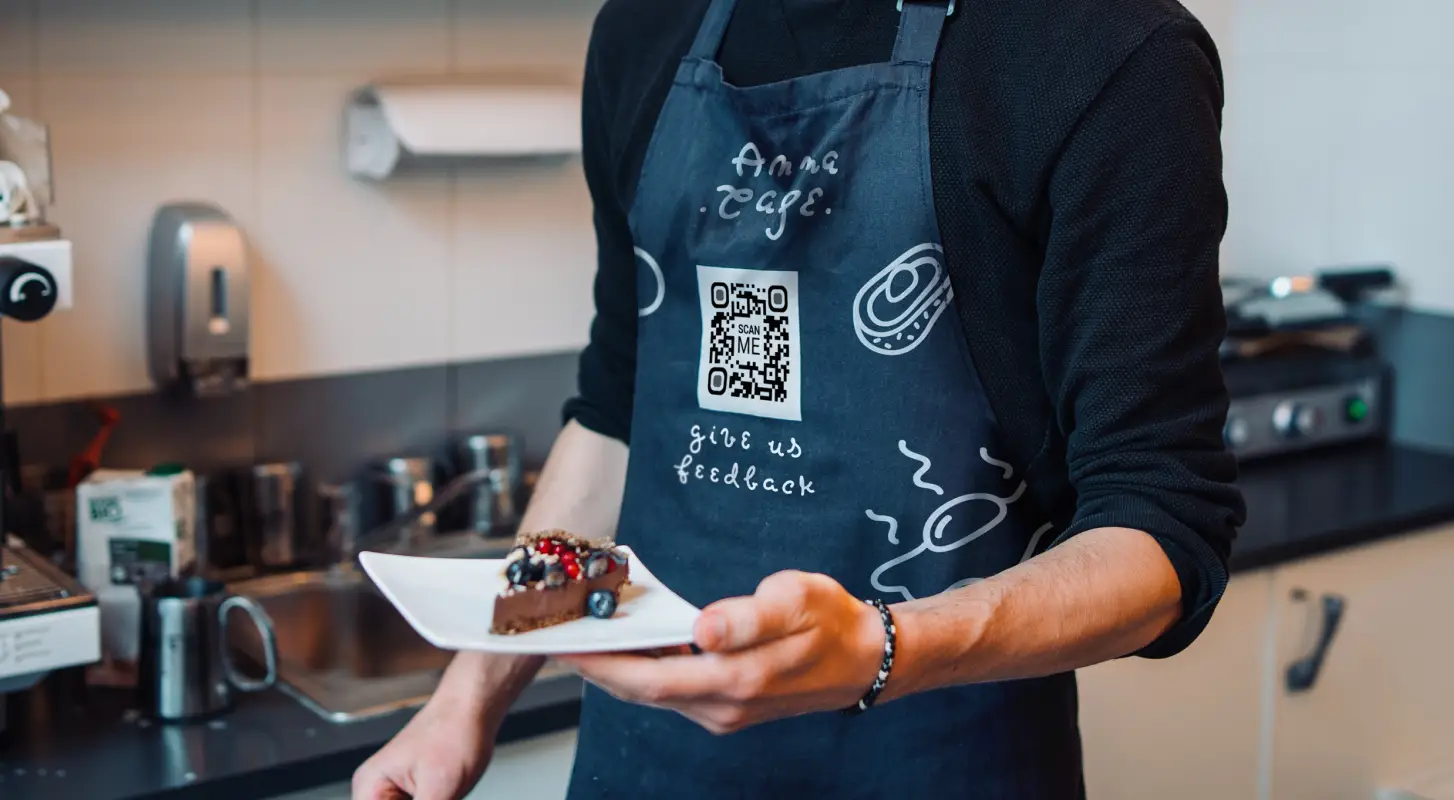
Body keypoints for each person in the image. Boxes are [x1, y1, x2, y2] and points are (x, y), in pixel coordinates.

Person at [355, 0, 1244, 795]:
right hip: (651, 765)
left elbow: (1162, 524)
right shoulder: (644, 28)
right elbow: (618, 415)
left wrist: (881, 648)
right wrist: (467, 697)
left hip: (942, 758)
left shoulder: (1107, 48)